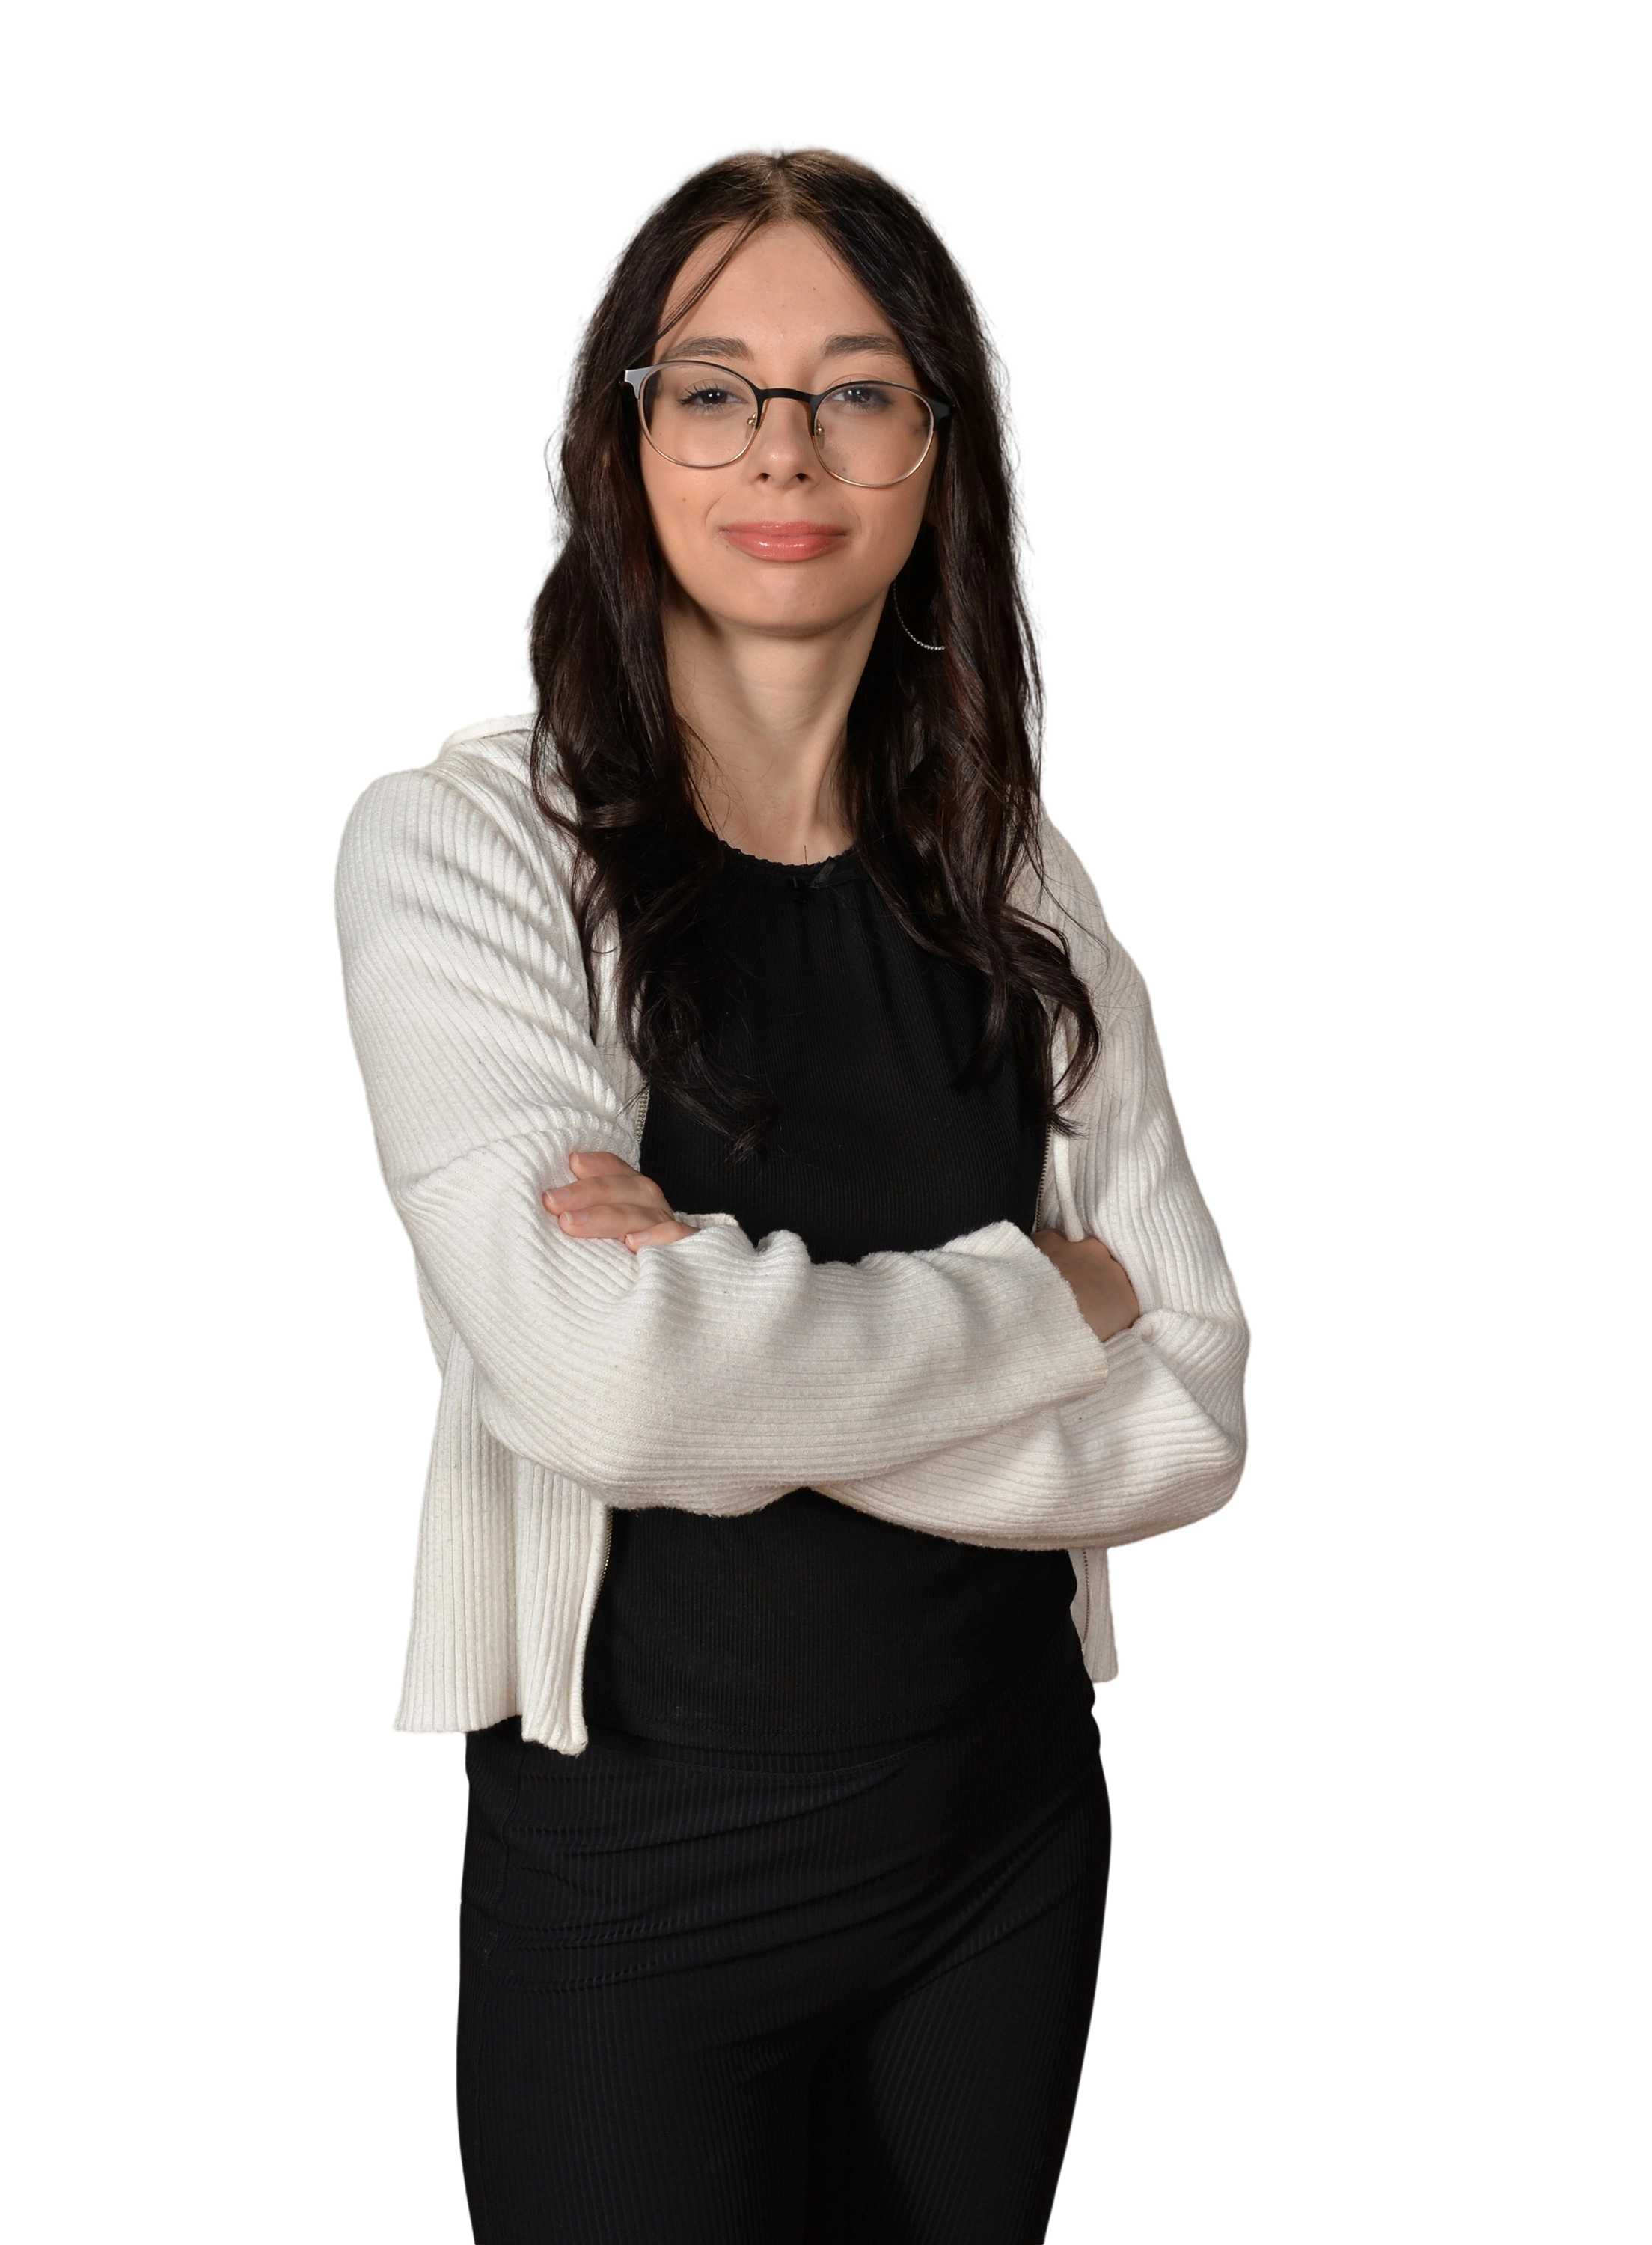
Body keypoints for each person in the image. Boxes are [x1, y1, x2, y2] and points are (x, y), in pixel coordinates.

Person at [331, 136, 1252, 2245]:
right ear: (623, 438)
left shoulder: (1023, 882)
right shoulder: (468, 847)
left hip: (1002, 1837)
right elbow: (611, 1390)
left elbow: (1195, 1416)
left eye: (857, 386)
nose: (786, 446)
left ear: (942, 445)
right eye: (715, 386)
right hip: (638, 1863)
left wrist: (748, 1352)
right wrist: (1049, 1298)